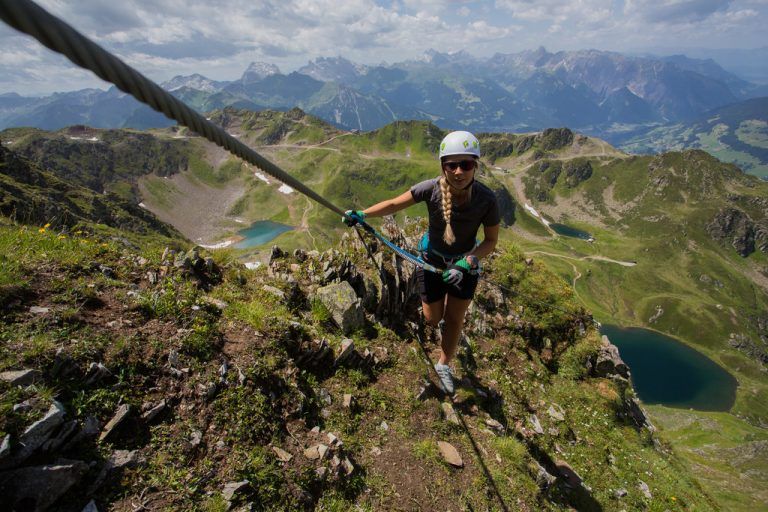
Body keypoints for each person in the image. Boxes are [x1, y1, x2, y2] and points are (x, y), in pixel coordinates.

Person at [342, 131, 500, 394]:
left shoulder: (486, 199)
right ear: (443, 166)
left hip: (464, 268)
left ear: (475, 165)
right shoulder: (430, 189)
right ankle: (438, 321)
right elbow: (394, 203)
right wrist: (362, 214)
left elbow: (491, 241)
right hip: (431, 263)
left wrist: (466, 262)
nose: (459, 171)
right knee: (431, 318)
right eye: (452, 165)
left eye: (466, 164)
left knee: (454, 319)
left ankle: (444, 363)